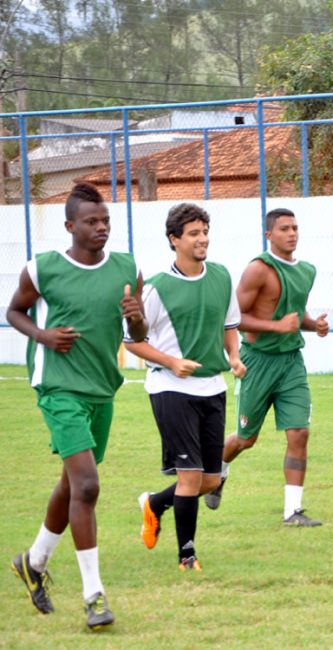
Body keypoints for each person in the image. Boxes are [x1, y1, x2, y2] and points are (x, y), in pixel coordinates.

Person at [7, 182, 147, 629]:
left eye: (105, 220)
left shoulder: (127, 268)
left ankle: (34, 561)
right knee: (87, 485)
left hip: (102, 388)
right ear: (70, 226)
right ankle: (94, 596)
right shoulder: (43, 269)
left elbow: (140, 336)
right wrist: (45, 337)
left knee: (72, 485)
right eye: (91, 221)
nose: (101, 227)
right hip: (58, 387)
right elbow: (14, 312)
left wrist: (136, 316)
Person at [126, 204, 246, 571]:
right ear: (174, 240)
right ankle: (187, 556)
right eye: (193, 233)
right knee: (190, 477)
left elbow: (229, 324)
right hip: (170, 389)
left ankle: (155, 504)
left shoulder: (222, 276)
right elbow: (132, 341)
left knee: (210, 480)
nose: (202, 239)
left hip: (213, 387)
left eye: (205, 231)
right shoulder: (159, 287)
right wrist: (172, 362)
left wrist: (234, 356)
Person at [205, 208, 329, 526]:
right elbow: (232, 317)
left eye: (295, 228)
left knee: (299, 432)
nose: (292, 233)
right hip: (257, 362)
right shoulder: (257, 270)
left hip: (291, 363)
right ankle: (218, 472)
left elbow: (294, 315)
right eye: (284, 228)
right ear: (269, 234)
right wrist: (277, 327)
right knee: (246, 439)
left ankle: (293, 511)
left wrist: (314, 325)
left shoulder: (306, 271)